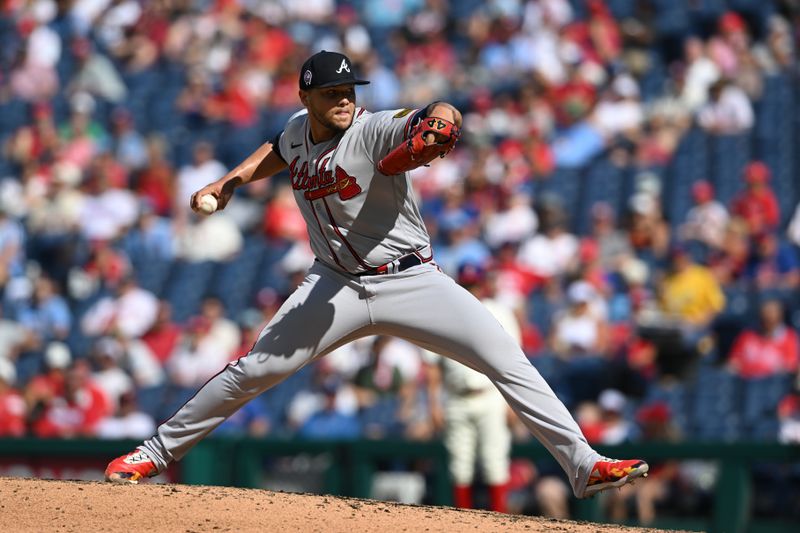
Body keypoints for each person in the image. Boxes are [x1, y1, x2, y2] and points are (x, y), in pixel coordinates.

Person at [105, 50, 648, 497]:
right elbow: (277, 149)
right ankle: (151, 454)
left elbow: (433, 113)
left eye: (349, 91)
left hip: (410, 279)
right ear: (306, 99)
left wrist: (440, 121)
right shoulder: (298, 131)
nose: (344, 100)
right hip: (333, 284)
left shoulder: (372, 131)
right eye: (331, 94)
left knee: (504, 357)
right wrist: (229, 183)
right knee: (252, 372)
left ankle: (584, 465)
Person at [423, 263, 517, 513]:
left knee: (494, 463)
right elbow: (432, 367)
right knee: (459, 466)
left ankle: (500, 526)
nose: (471, 289)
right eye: (467, 285)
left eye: (474, 284)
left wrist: (512, 401)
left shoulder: (499, 311)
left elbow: (514, 361)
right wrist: (433, 404)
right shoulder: (443, 315)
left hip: (491, 395)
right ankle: (462, 524)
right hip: (455, 397)